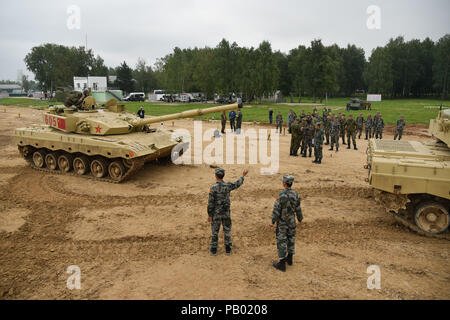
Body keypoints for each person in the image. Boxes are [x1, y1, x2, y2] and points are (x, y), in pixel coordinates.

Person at [207, 168, 248, 256]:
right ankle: (228, 249)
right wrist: (243, 176)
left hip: (216, 214)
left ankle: (214, 249)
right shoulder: (227, 186)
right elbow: (237, 184)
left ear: (216, 176)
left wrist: (209, 215)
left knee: (215, 231)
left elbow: (210, 203)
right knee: (227, 231)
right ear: (223, 176)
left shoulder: (213, 188)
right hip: (226, 213)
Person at [270, 175, 303, 272]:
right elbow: (298, 209)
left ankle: (282, 263)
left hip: (282, 222)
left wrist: (272, 221)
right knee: (291, 238)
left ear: (284, 183)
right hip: (292, 221)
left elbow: (276, 210)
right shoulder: (296, 195)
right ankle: (290, 258)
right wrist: (300, 219)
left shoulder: (281, 195)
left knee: (281, 240)